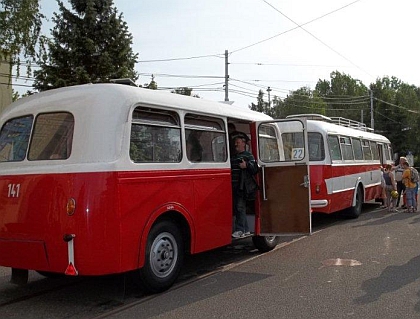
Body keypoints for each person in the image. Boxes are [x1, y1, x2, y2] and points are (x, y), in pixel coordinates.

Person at [231, 135, 258, 238]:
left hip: (242, 186)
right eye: (235, 143)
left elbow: (255, 168)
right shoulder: (233, 157)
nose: (236, 144)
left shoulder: (248, 155)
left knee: (239, 207)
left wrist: (246, 165)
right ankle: (246, 230)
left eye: (238, 142)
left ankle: (240, 229)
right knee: (239, 208)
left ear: (243, 143)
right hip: (234, 186)